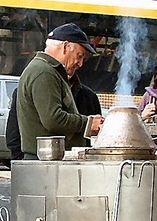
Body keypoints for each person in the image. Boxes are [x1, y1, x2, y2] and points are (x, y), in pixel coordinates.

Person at [15, 23, 104, 159]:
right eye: (79, 56)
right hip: (45, 162)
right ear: (65, 47)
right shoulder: (44, 72)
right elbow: (53, 119)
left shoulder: (46, 70)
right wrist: (88, 123)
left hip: (45, 161)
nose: (80, 63)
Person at [6, 73, 102, 161]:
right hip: (38, 162)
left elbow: (97, 141)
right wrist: (22, 161)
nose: (79, 63)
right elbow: (13, 134)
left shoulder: (89, 97)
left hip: (77, 168)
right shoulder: (30, 88)